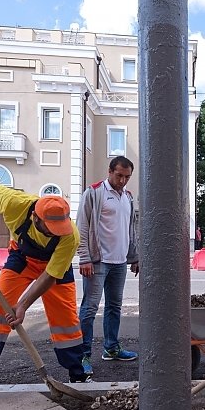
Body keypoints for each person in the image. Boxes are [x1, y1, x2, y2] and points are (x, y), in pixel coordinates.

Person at [0, 181, 86, 410]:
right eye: (51, 228)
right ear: (35, 218)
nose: (58, 231)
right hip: (22, 259)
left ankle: (78, 375)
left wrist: (22, 305)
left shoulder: (70, 236)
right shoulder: (15, 203)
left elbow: (50, 275)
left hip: (52, 267)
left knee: (66, 320)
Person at [76, 155, 139, 378]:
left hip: (120, 262)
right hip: (97, 261)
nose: (123, 181)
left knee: (114, 307)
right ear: (110, 171)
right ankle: (82, 356)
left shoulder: (128, 197)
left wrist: (135, 257)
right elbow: (81, 227)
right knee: (89, 309)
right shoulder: (93, 193)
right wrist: (84, 258)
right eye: (119, 175)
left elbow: (131, 229)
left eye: (127, 177)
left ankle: (111, 348)